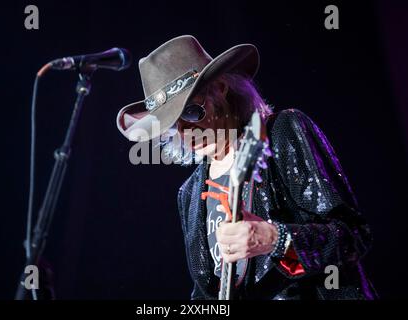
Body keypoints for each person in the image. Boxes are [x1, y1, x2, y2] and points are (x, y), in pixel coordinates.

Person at [116, 35, 377, 300]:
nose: (186, 130)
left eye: (191, 113)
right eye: (173, 124)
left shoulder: (282, 132)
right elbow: (204, 294)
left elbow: (353, 236)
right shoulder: (190, 194)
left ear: (220, 88)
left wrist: (276, 239)